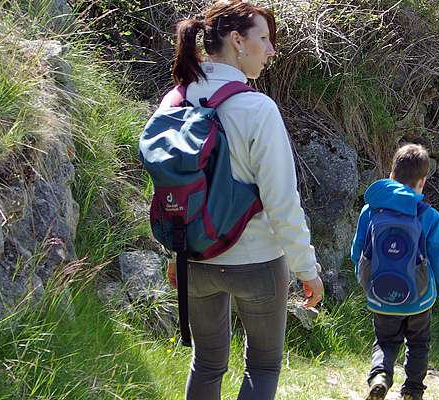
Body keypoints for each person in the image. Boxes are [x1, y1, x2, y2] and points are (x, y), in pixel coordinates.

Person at [161, 1, 323, 399]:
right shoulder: (257, 108)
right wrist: (307, 268)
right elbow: (281, 201)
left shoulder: (174, 101)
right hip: (257, 263)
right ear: (237, 41)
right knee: (263, 366)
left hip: (193, 260)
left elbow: (168, 189)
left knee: (207, 363)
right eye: (264, 39)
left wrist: (172, 255)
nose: (271, 51)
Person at [350, 144, 439, 400]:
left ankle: (380, 376)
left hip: (380, 296)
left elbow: (357, 251)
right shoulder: (428, 215)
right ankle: (413, 391)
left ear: (392, 175)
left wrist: (366, 283)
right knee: (418, 344)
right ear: (422, 181)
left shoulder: (369, 211)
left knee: (385, 341)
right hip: (419, 299)